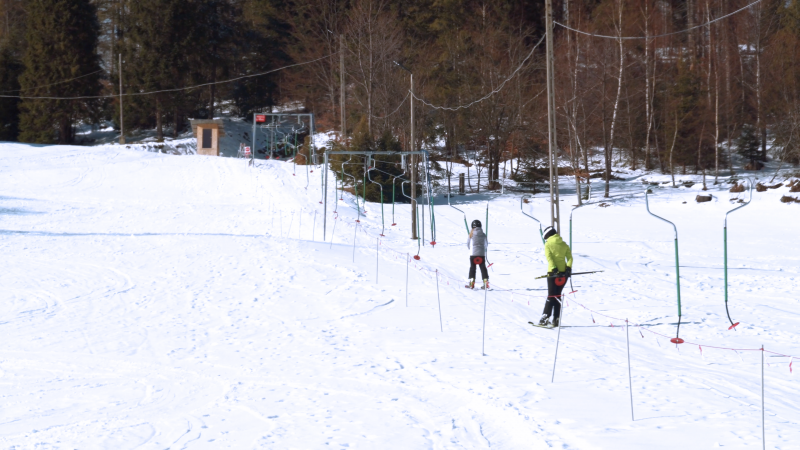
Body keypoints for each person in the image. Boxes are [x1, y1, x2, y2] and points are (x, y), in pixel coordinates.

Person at [538, 225, 573, 327]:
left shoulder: (548, 244)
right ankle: (556, 319)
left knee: (551, 296)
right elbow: (570, 258)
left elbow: (549, 258)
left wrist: (554, 268)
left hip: (553, 275)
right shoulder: (564, 244)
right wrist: (568, 268)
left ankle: (544, 318)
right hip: (563, 275)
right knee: (557, 295)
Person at [465, 219, 489, 289]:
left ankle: (472, 283)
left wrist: (470, 249)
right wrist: (483, 249)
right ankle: (485, 282)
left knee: (473, 268)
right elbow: (486, 244)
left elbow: (468, 244)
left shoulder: (471, 234)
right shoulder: (484, 234)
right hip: (481, 254)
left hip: (473, 254)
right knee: (483, 268)